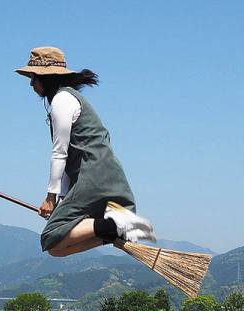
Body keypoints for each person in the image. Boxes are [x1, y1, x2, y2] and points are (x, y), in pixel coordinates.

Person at [15, 46, 155, 257]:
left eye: (33, 77)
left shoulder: (61, 100)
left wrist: (50, 198)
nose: (31, 83)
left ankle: (115, 226)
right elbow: (68, 158)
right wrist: (61, 198)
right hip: (105, 177)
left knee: (50, 236)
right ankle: (110, 232)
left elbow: (59, 153)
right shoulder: (68, 98)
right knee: (56, 249)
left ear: (46, 77)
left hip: (93, 177)